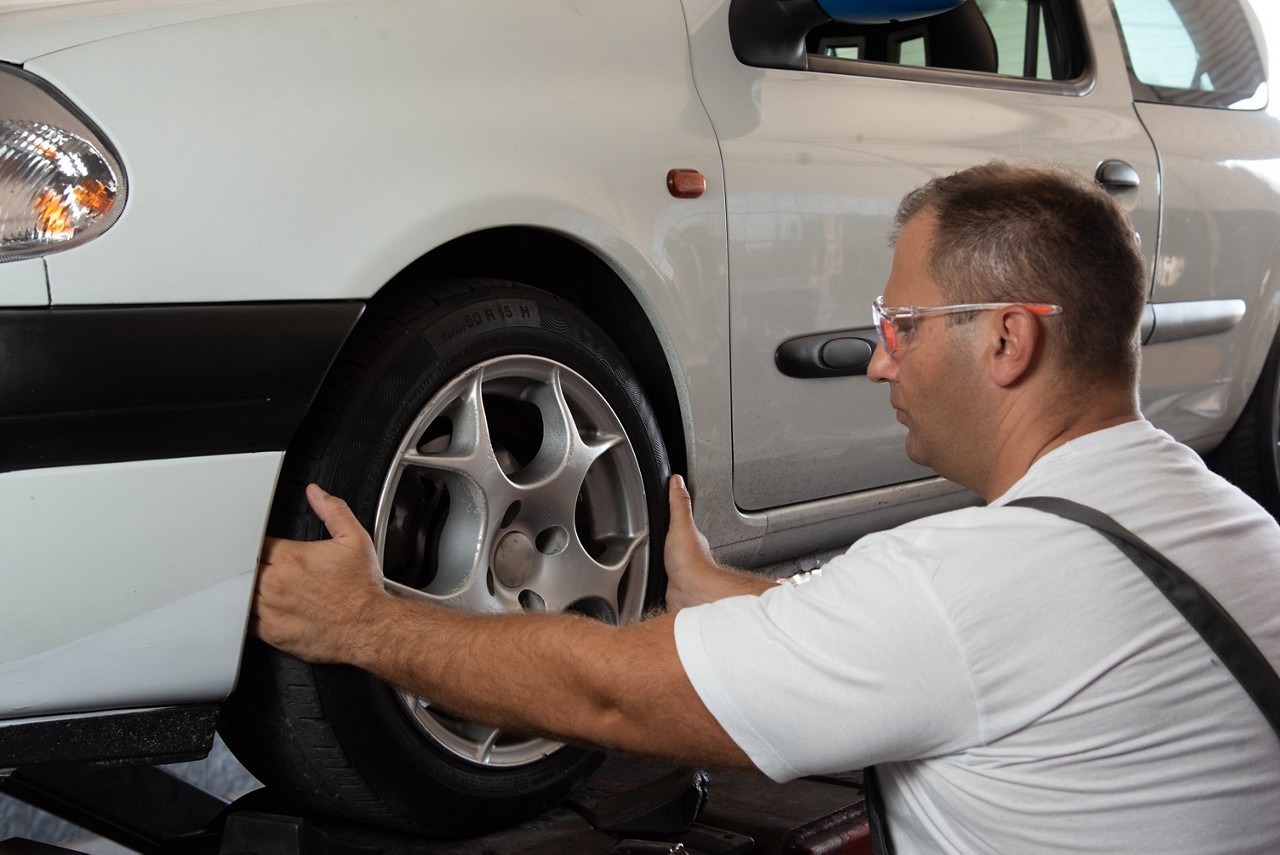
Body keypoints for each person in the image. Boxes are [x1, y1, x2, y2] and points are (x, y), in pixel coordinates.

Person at [253, 161, 1280, 852]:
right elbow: (960, 657)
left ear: (1007, 341)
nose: (876, 360)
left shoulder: (956, 587)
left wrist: (364, 622)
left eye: (903, 324)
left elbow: (615, 698)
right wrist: (727, 596)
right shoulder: (1233, 527)